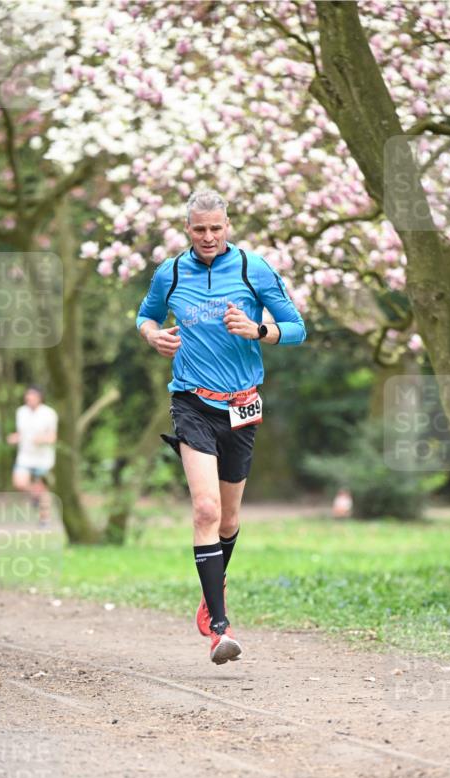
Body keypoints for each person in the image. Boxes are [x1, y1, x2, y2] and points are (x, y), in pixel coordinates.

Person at [136, 189, 306, 664]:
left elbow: (297, 328)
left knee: (229, 520)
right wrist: (153, 335)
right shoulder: (170, 273)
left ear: (227, 227)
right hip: (191, 401)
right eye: (199, 229)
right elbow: (147, 315)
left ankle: (213, 589)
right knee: (206, 510)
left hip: (241, 406)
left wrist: (259, 330)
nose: (208, 237)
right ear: (187, 229)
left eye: (216, 228)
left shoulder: (254, 269)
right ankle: (219, 627)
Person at [7, 385, 58, 525]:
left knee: (42, 488)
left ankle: (44, 519)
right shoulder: (21, 412)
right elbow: (21, 433)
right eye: (27, 396)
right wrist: (14, 438)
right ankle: (35, 495)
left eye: (32, 396)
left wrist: (42, 439)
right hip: (25, 456)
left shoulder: (49, 413)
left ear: (39, 398)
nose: (28, 399)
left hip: (43, 458)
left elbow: (53, 437)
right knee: (19, 483)